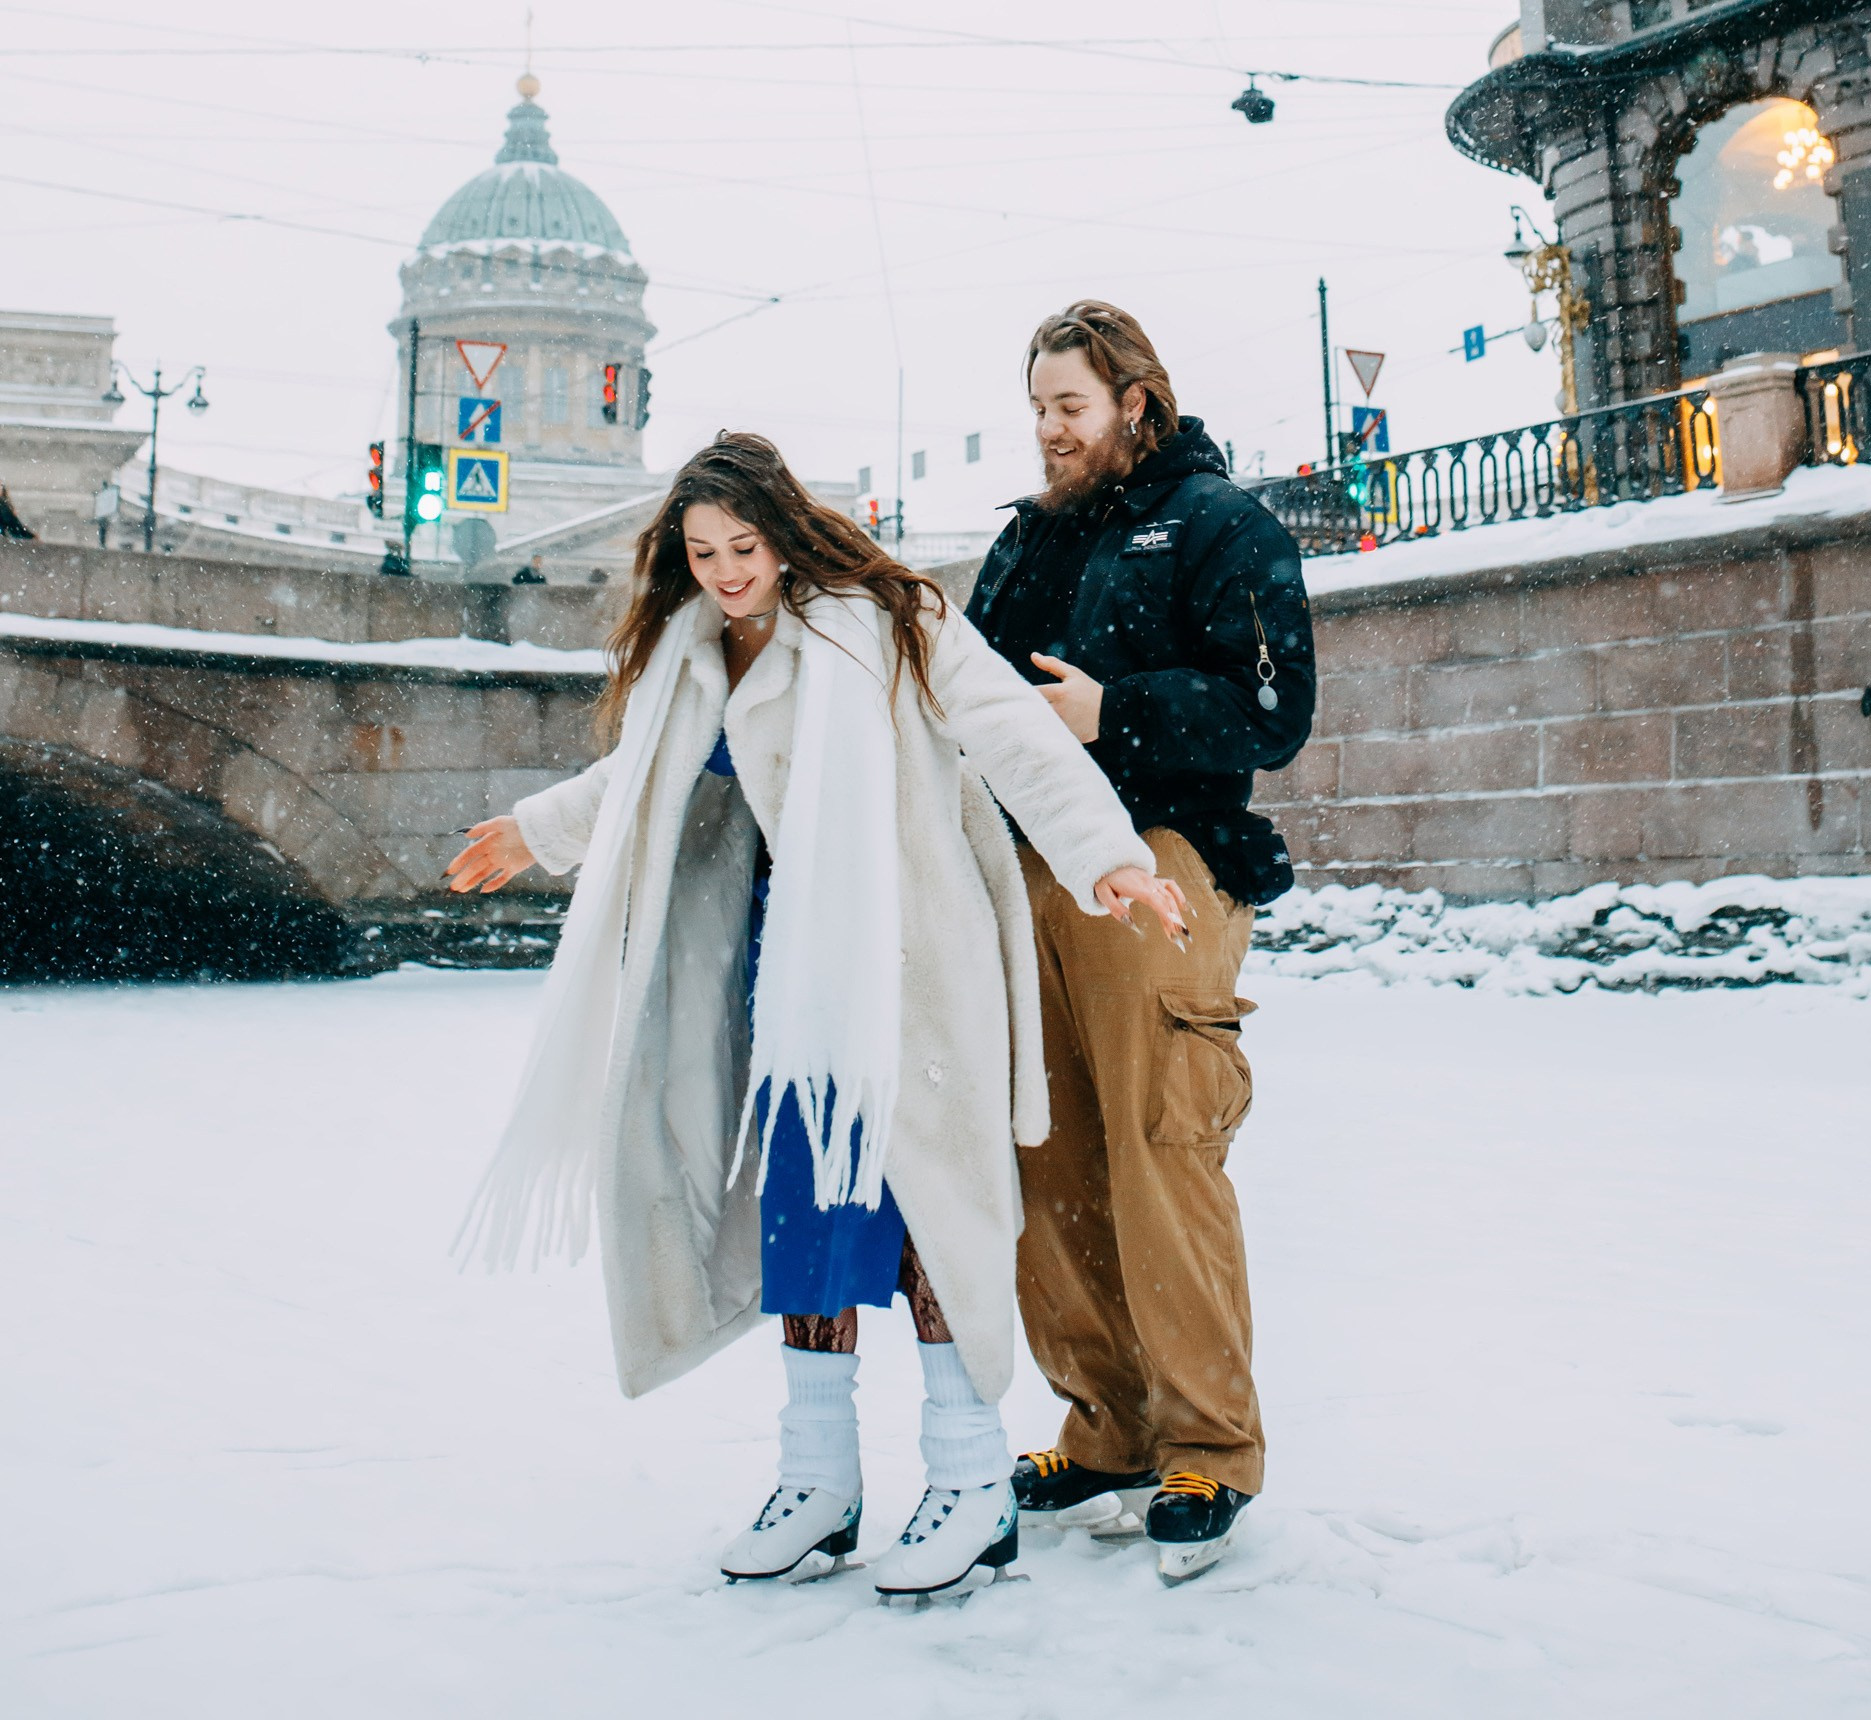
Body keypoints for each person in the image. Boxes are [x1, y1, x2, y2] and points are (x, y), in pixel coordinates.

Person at [447, 430, 1186, 1604]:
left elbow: (1011, 732)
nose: (726, 572)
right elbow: (641, 775)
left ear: (785, 533)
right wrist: (537, 830)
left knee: (931, 1211)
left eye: (742, 546)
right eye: (703, 552)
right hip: (785, 984)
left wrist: (1107, 857)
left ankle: (969, 1481)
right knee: (806, 1218)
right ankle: (818, 1478)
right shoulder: (694, 653)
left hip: (908, 972)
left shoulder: (888, 621)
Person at [965, 300, 1315, 1581]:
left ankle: (1207, 1448)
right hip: (1027, 870)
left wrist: (1112, 711)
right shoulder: (1022, 540)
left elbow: (1271, 712)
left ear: (1134, 402)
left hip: (1162, 857)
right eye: (1037, 409)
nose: (1050, 431)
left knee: (1162, 1149)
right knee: (1049, 1158)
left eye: (1069, 406)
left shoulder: (1222, 525)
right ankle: (1104, 1427)